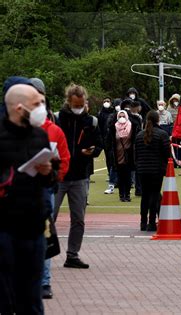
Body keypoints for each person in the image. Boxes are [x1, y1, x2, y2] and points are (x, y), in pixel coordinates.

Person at [0, 83, 55, 314]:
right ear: (19, 108)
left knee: (32, 297)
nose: (41, 108)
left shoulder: (40, 135)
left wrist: (47, 172)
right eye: (36, 104)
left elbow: (49, 181)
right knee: (4, 295)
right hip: (4, 227)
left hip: (33, 226)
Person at [54, 84, 103, 269]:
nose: (79, 107)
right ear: (69, 101)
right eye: (76, 104)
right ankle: (43, 254)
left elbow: (100, 145)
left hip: (81, 176)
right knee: (50, 216)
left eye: (82, 104)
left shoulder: (92, 121)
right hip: (58, 176)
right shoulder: (58, 119)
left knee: (79, 219)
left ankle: (72, 254)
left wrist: (92, 151)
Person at [32, 77, 70, 300]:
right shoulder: (13, 129)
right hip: (17, 194)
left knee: (44, 236)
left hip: (44, 191)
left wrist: (54, 177)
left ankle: (44, 282)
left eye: (40, 100)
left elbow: (64, 159)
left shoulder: (54, 131)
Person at [135, 111, 170, 231]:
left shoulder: (139, 135)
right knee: (154, 195)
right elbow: (167, 153)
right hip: (157, 170)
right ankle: (151, 223)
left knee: (145, 195)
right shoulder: (162, 134)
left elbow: (136, 154)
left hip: (142, 170)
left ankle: (142, 223)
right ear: (158, 120)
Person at [108, 110, 140, 202]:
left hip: (129, 155)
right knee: (120, 176)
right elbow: (109, 141)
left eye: (123, 116)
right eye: (120, 116)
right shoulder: (113, 127)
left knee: (128, 176)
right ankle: (121, 195)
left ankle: (128, 194)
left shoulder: (132, 126)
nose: (122, 118)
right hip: (117, 154)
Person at [98, 97, 117, 194]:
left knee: (113, 158)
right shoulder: (100, 113)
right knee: (108, 158)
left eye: (108, 101)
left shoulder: (114, 112)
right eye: (104, 101)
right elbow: (99, 127)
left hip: (113, 139)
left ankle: (114, 177)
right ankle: (110, 175)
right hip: (105, 139)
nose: (106, 103)